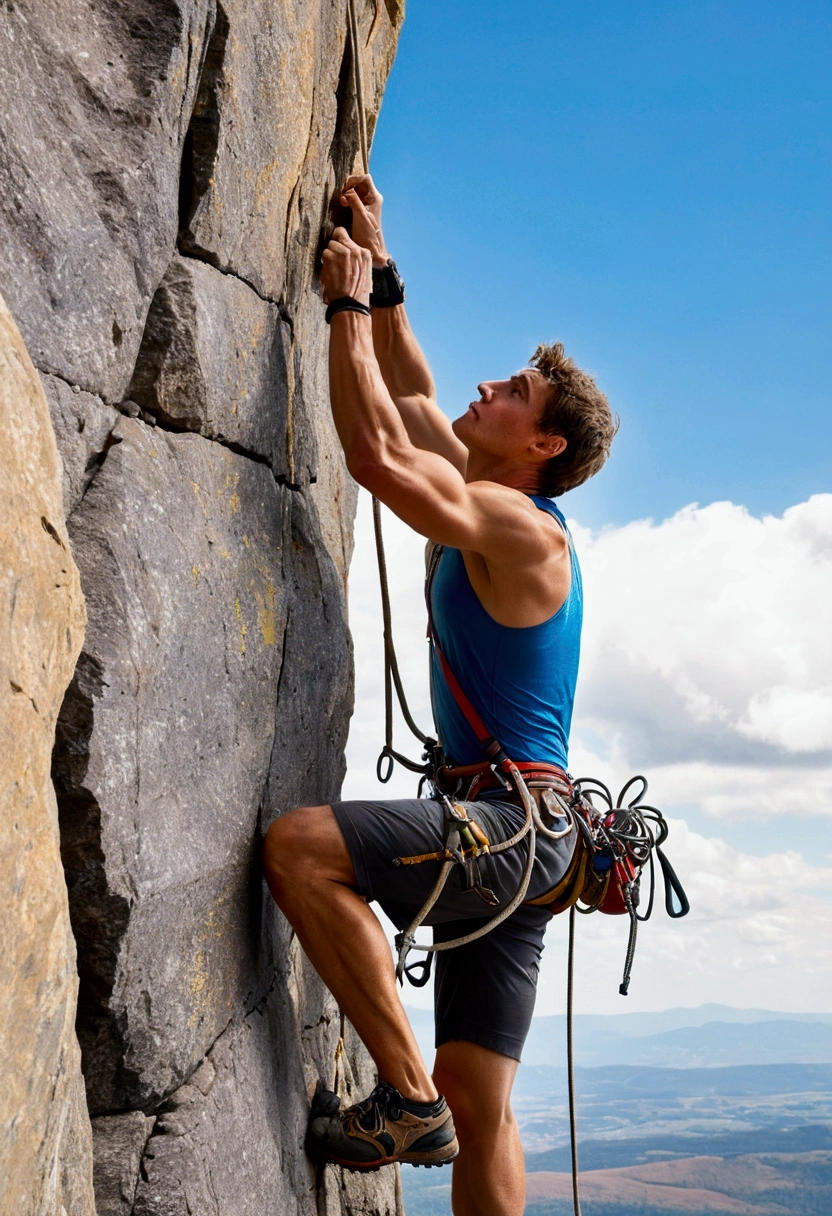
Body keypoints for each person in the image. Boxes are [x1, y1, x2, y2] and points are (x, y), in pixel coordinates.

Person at [263, 175, 617, 1215]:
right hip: (531, 840)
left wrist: (341, 307)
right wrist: (383, 271)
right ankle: (433, 1098)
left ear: (541, 447)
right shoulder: (493, 495)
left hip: (505, 828)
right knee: (486, 1106)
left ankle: (404, 1100)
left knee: (300, 849)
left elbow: (377, 449)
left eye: (510, 393)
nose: (484, 390)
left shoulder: (521, 528)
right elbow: (415, 398)